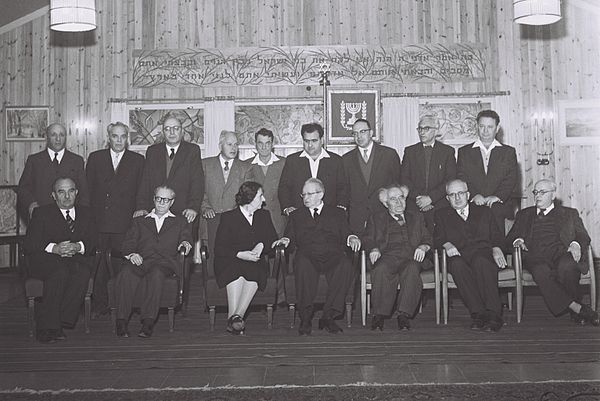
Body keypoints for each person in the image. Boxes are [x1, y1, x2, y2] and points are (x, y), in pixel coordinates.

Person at [507, 179, 598, 326]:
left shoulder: (569, 213)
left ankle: (576, 312)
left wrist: (575, 243)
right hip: (533, 256)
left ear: (553, 195)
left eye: (543, 192)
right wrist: (517, 240)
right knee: (541, 270)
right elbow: (509, 238)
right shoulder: (524, 215)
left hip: (560, 253)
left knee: (568, 266)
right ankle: (577, 308)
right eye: (536, 192)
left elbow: (583, 235)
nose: (538, 196)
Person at [281, 178, 361, 336]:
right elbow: (289, 237)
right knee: (302, 263)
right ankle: (305, 318)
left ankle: (328, 316)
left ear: (321, 194)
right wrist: (286, 240)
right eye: (303, 195)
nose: (305, 198)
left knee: (345, 265)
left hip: (332, 254)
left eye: (309, 194)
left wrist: (352, 237)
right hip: (308, 255)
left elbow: (346, 232)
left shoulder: (337, 213)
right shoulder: (296, 215)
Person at [23, 177, 96, 343]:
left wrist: (79, 246)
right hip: (45, 259)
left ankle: (60, 321)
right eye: (61, 192)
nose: (67, 196)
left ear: (76, 193)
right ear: (53, 195)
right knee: (59, 272)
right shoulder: (41, 213)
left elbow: (93, 241)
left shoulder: (87, 213)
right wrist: (54, 248)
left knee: (82, 272)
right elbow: (30, 244)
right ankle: (45, 327)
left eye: (71, 191)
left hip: (74, 259)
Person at [115, 186, 192, 338]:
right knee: (127, 272)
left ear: (172, 202)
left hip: (165, 262)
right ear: (153, 199)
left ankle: (148, 322)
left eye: (166, 200)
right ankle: (121, 321)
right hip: (142, 260)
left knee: (156, 274)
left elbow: (186, 238)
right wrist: (131, 254)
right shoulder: (140, 221)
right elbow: (128, 243)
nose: (162, 203)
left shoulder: (180, 221)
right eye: (158, 199)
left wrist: (185, 244)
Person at [86, 122, 144, 317]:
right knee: (99, 264)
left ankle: (121, 304)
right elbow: (87, 191)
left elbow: (141, 191)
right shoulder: (95, 158)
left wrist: (138, 212)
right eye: (114, 136)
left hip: (125, 223)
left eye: (122, 136)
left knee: (123, 264)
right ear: (108, 138)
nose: (118, 140)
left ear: (127, 138)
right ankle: (100, 304)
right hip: (99, 222)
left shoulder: (137, 160)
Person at [433, 179, 507, 332]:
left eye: (460, 193)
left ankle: (493, 314)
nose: (457, 198)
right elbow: (437, 238)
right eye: (452, 195)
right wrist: (447, 244)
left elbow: (496, 235)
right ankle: (478, 313)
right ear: (447, 198)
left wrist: (497, 248)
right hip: (458, 254)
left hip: (482, 253)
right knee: (456, 265)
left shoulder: (484, 211)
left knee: (481, 261)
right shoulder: (441, 215)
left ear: (468, 194)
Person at [214, 181, 284, 335]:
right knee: (236, 268)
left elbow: (272, 239)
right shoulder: (228, 217)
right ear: (250, 199)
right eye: (260, 196)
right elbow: (220, 248)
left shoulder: (264, 216)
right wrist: (240, 254)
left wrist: (261, 245)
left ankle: (234, 317)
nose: (263, 199)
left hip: (255, 261)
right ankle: (235, 317)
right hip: (230, 260)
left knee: (255, 269)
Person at [362, 184, 433, 331]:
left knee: (412, 269)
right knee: (381, 269)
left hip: (411, 257)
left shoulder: (416, 217)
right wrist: (373, 249)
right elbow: (367, 239)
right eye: (393, 199)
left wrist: (423, 247)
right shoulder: (376, 218)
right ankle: (379, 315)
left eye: (401, 197)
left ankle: (403, 315)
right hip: (387, 256)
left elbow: (428, 238)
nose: (399, 202)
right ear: (385, 203)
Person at [135, 112, 204, 225]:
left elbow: (197, 182)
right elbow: (145, 182)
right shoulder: (152, 151)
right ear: (163, 132)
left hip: (184, 213)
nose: (172, 132)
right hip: (156, 213)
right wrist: (141, 207)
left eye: (175, 128)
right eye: (167, 129)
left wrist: (193, 208)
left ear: (182, 131)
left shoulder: (192, 151)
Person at [457, 110, 518, 232]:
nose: (485, 131)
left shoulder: (508, 152)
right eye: (482, 126)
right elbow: (461, 177)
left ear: (497, 128)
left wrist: (497, 197)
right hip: (473, 203)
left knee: (498, 238)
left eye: (490, 127)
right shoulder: (464, 152)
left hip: (500, 204)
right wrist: (474, 195)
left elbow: (511, 179)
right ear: (477, 127)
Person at [201, 130, 252, 273]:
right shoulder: (205, 164)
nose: (233, 148)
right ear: (220, 145)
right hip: (210, 220)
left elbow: (247, 196)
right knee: (212, 261)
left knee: (234, 263)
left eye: (236, 144)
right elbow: (198, 191)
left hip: (235, 222)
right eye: (229, 144)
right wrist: (205, 208)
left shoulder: (245, 167)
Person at [18, 123, 89, 221]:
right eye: (53, 135)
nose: (58, 139)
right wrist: (31, 203)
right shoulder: (34, 160)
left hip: (68, 219)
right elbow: (23, 189)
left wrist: (82, 216)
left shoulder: (76, 161)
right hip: (41, 216)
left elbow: (84, 192)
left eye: (61, 135)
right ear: (47, 137)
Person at [342, 119, 401, 235]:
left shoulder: (389, 154)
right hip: (357, 221)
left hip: (385, 216)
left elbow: (397, 184)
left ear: (371, 133)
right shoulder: (346, 159)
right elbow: (346, 191)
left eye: (363, 131)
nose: (359, 136)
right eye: (355, 133)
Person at [278, 123, 348, 217]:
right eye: (306, 141)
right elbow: (284, 187)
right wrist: (287, 207)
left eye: (314, 141)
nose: (310, 145)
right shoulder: (292, 161)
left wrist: (341, 207)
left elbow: (343, 188)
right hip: (299, 217)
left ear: (322, 140)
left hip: (330, 217)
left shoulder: (336, 161)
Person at [401, 115, 456, 232]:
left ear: (436, 130)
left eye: (426, 129)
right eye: (420, 129)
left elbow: (450, 180)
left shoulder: (447, 152)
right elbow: (404, 178)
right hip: (415, 206)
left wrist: (431, 198)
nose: (421, 132)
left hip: (439, 206)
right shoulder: (410, 151)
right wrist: (420, 199)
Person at [246, 128, 287, 237]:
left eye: (267, 143)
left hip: (278, 220)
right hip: (254, 219)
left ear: (272, 144)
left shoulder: (284, 163)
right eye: (260, 143)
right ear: (255, 144)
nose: (264, 147)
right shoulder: (246, 165)